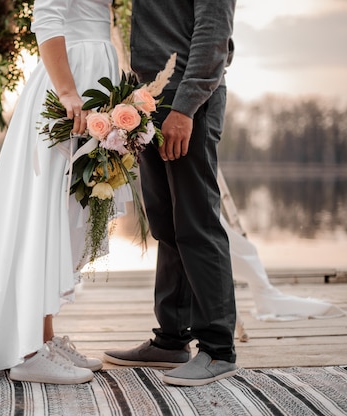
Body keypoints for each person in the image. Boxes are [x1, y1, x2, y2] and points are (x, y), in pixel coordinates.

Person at [0, 0, 124, 384]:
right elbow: (48, 15)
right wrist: (67, 91)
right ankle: (28, 353)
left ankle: (43, 338)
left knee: (67, 212)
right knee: (43, 212)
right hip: (73, 81)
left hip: (96, 74)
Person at [103, 1, 239, 386]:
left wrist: (185, 108)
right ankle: (171, 340)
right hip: (150, 99)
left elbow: (214, 35)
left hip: (186, 101)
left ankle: (218, 349)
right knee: (165, 222)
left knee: (197, 224)